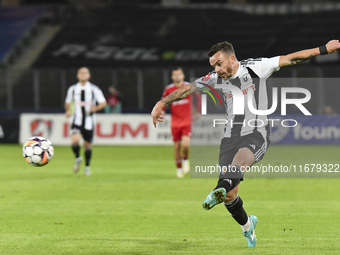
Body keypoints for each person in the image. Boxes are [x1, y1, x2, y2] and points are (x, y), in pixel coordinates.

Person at [151, 40, 340, 247]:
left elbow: (291, 58)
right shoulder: (215, 78)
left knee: (235, 169)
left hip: (256, 134)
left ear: (232, 58)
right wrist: (161, 103)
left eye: (219, 63)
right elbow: (189, 89)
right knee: (229, 196)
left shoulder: (257, 67)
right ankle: (248, 226)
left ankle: (218, 188)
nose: (217, 69)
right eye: (213, 65)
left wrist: (323, 50)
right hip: (229, 139)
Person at [65, 67, 107, 176]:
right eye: (81, 72)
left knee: (87, 145)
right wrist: (68, 111)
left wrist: (95, 108)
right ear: (77, 75)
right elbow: (68, 102)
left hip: (89, 120)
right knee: (75, 140)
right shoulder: (73, 89)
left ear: (89, 75)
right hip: (76, 119)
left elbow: (103, 103)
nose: (83, 74)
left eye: (85, 73)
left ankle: (87, 167)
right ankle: (78, 158)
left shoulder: (94, 89)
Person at [161, 67, 200, 178]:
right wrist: (162, 112)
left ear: (183, 76)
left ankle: (185, 161)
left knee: (185, 145)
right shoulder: (168, 89)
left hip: (187, 121)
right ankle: (179, 170)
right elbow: (163, 102)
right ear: (172, 77)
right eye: (175, 74)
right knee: (177, 147)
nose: (177, 76)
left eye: (179, 74)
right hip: (175, 122)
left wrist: (198, 111)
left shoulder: (189, 87)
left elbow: (198, 98)